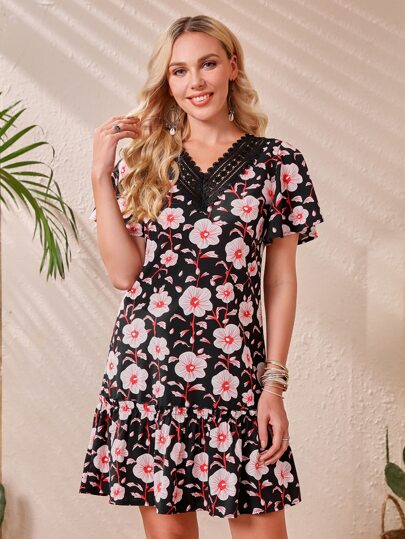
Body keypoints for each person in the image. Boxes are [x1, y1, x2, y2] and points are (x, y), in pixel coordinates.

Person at [79, 14, 324, 539]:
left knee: (261, 529)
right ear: (167, 82)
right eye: (179, 71)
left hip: (236, 377)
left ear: (232, 66)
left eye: (208, 64)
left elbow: (280, 281)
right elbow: (124, 273)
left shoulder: (278, 163)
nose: (196, 82)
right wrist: (101, 173)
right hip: (148, 372)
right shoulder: (143, 161)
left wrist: (273, 385)